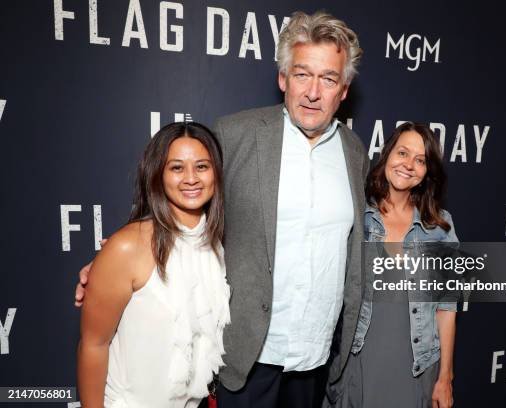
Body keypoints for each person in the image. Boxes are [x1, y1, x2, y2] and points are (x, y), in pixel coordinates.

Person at [75, 11, 369, 408]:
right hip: (245, 359)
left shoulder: (354, 153)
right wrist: (112, 263)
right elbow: (184, 195)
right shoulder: (235, 134)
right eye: (302, 74)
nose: (313, 92)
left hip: (315, 359)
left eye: (328, 79)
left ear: (344, 89)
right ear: (283, 79)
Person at [77, 122, 230, 408]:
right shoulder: (128, 246)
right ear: (157, 174)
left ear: (216, 174)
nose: (191, 178)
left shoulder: (218, 245)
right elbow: (93, 346)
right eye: (176, 168)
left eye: (201, 166)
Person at [325, 122, 457, 408]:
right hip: (359, 360)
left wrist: (445, 377)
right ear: (387, 155)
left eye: (420, 160)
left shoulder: (439, 226)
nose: (409, 165)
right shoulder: (358, 215)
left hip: (415, 368)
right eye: (402, 153)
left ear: (426, 173)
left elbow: (447, 307)